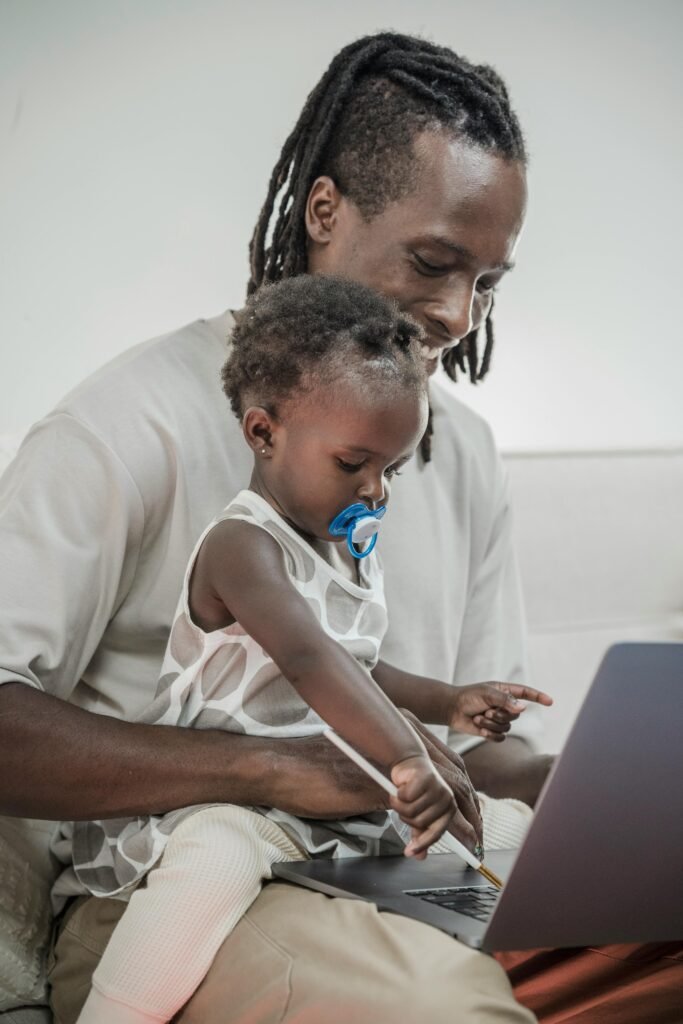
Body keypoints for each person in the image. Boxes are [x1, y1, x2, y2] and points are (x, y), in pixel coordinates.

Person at [1, 29, 679, 1024]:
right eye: (433, 261)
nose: (458, 313)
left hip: (386, 868)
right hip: (182, 891)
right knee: (446, 1011)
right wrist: (274, 770)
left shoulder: (462, 450)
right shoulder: (130, 422)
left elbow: (461, 745)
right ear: (324, 211)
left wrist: (592, 790)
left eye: (486, 282)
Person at [70, 274, 551, 1024]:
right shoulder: (242, 547)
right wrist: (407, 756)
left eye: (391, 470)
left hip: (329, 804)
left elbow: (361, 667)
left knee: (511, 829)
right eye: (353, 464)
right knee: (216, 861)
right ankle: (114, 1011)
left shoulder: (342, 549)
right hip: (225, 803)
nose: (376, 491)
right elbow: (310, 661)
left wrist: (448, 701)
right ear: (263, 433)